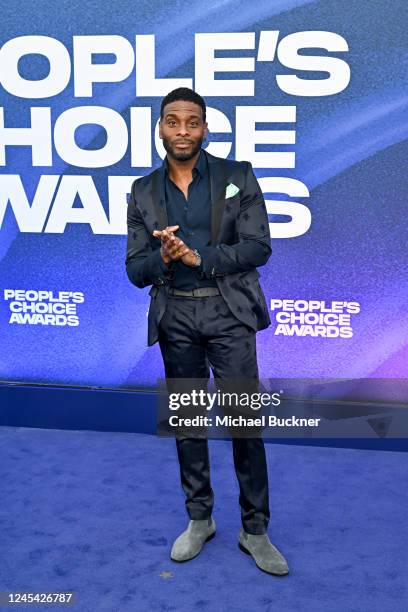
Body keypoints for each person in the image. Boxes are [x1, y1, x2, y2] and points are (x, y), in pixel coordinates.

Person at [125, 87, 289, 575]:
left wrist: (202, 257)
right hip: (175, 315)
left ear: (204, 128)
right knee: (188, 424)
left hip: (228, 315)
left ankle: (254, 530)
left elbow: (259, 246)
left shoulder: (238, 177)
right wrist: (165, 258)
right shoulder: (142, 191)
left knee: (244, 425)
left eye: (191, 122)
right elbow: (135, 269)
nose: (182, 130)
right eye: (172, 121)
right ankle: (200, 520)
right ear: (159, 127)